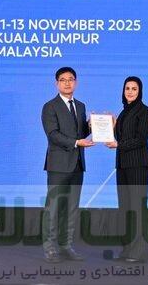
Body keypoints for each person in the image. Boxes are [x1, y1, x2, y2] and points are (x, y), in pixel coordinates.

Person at [41, 66, 93, 263]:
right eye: (63, 80)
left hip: (77, 164)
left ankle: (66, 245)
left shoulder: (80, 105)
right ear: (57, 84)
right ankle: (50, 248)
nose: (67, 83)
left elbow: (80, 132)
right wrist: (76, 142)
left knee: (71, 208)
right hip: (58, 165)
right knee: (53, 208)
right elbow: (53, 134)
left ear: (76, 83)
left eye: (71, 79)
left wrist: (94, 125)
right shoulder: (50, 106)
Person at [105, 76, 148, 263]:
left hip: (138, 165)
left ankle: (139, 252)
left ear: (140, 91)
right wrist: (112, 124)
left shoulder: (144, 111)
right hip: (123, 165)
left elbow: (141, 139)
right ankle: (127, 250)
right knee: (125, 208)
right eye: (127, 88)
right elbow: (121, 137)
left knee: (137, 208)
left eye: (134, 88)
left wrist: (118, 144)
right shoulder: (124, 112)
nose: (130, 92)